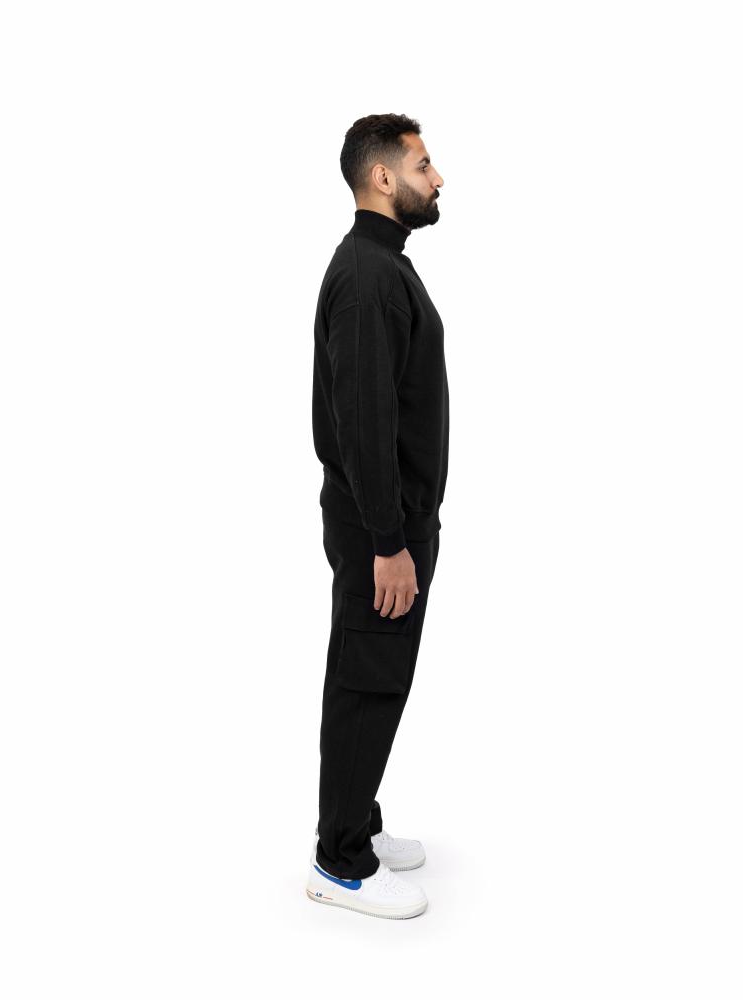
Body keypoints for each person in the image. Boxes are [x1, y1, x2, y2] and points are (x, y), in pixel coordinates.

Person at [307, 114, 449, 919]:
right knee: (368, 680)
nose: (439, 178)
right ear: (384, 178)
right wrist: (390, 543)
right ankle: (340, 862)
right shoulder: (367, 277)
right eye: (425, 165)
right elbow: (363, 421)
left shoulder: (382, 265)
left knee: (377, 675)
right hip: (379, 531)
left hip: (391, 523)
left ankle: (355, 819)